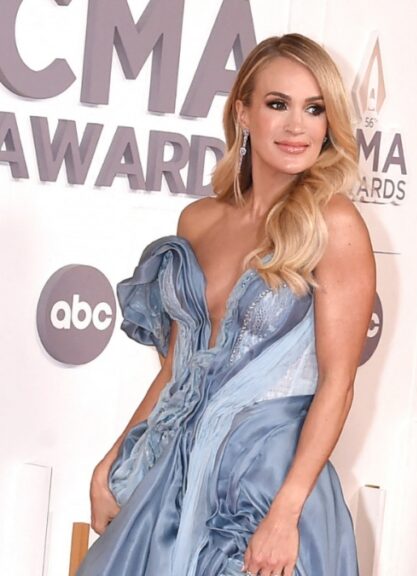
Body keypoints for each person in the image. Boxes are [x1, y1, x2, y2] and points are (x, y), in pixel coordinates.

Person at [78, 33, 372, 576]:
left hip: (264, 484)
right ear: (243, 112)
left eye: (314, 109)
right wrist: (114, 457)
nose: (296, 126)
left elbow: (338, 382)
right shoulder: (199, 221)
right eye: (277, 104)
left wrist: (287, 511)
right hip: (176, 472)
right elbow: (177, 369)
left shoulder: (333, 224)